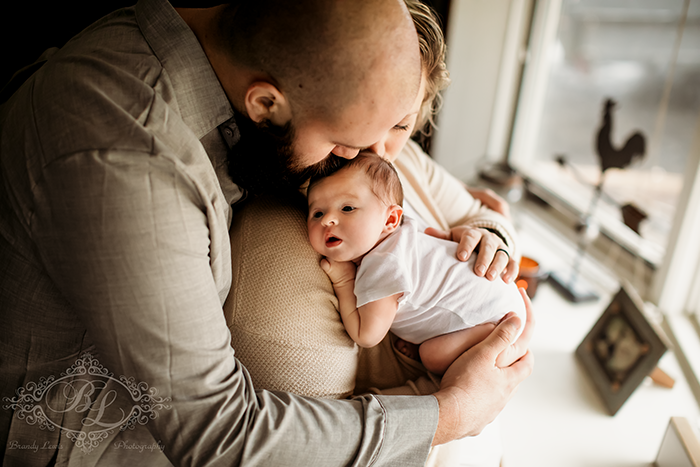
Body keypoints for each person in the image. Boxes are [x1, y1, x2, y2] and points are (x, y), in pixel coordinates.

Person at [0, 1, 533, 467]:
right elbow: (217, 433)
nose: (364, 159)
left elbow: (458, 199)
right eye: (344, 145)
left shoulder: (238, 70)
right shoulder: (128, 163)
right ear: (266, 105)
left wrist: (490, 231)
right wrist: (450, 415)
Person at [306, 152, 527, 375]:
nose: (327, 220)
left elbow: (367, 335)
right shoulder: (408, 229)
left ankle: (486, 335)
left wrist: (344, 281)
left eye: (347, 208)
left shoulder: (382, 264)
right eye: (317, 213)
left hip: (499, 321)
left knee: (431, 356)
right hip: (504, 296)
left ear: (390, 219)